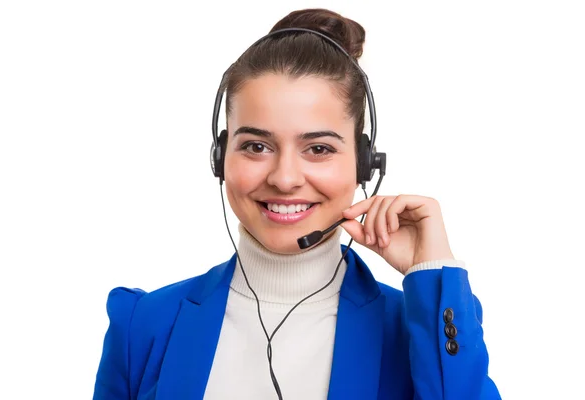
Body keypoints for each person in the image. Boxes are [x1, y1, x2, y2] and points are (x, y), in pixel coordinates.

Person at [93, 8, 501, 400]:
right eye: (256, 146)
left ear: (364, 163)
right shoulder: (144, 324)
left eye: (318, 148)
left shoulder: (420, 332)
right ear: (220, 158)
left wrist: (430, 271)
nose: (285, 178)